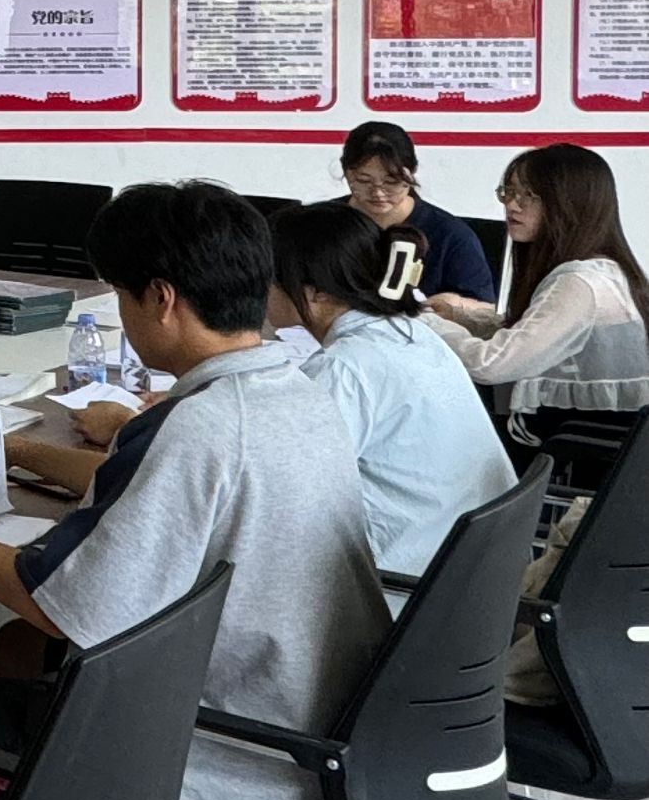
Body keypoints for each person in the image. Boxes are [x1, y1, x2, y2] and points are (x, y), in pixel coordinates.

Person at [0, 181, 386, 800]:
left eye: (121, 298)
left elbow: (53, 603)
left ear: (161, 299)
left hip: (245, 779)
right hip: (330, 747)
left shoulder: (200, 426)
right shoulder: (292, 389)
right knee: (22, 649)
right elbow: (145, 473)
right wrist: (21, 450)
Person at [269, 201, 512, 576]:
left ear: (315, 292)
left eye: (269, 281)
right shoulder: (411, 331)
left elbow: (285, 492)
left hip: (409, 584)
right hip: (476, 573)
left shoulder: (343, 368)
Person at [428, 142, 649, 453]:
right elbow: (534, 333)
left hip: (572, 457)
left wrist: (425, 322)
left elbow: (491, 364)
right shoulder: (604, 268)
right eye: (509, 192)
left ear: (571, 203)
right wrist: (460, 317)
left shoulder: (579, 281)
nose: (512, 205)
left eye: (529, 195)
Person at [337, 120, 496, 303]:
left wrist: (453, 306)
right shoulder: (320, 224)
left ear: (412, 172)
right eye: (364, 181)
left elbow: (483, 310)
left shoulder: (450, 236)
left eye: (391, 182)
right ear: (347, 173)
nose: (378, 193)